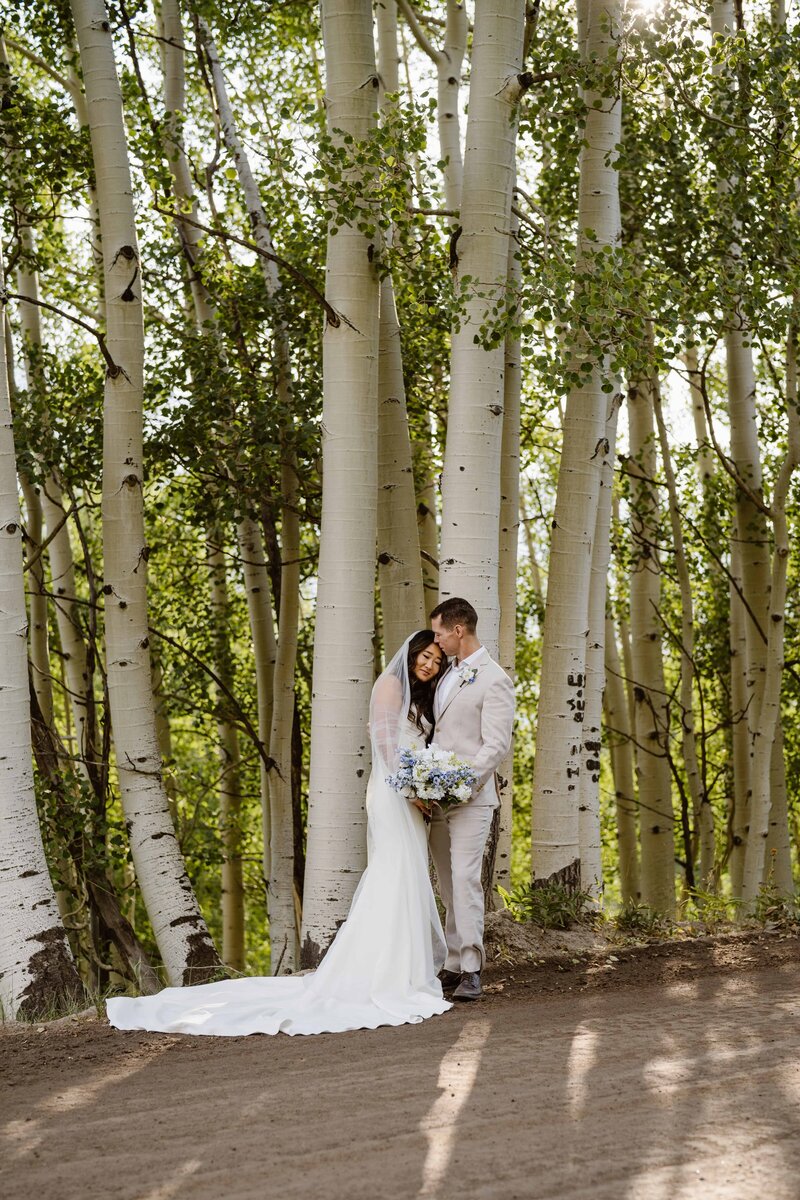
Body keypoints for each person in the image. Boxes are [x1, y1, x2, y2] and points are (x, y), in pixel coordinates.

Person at [106, 631, 451, 1037]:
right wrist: (410, 789)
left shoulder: (422, 697)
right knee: (392, 875)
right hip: (393, 795)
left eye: (436, 662)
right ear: (411, 653)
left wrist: (426, 789)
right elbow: (385, 742)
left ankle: (401, 972)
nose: (429, 665)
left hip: (409, 799)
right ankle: (380, 977)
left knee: (404, 877)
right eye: (425, 657)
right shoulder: (392, 684)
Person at [428, 597, 515, 1001]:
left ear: (458, 630)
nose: (437, 639)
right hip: (435, 799)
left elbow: (495, 747)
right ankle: (451, 963)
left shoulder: (494, 678)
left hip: (471, 798)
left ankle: (473, 968)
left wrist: (459, 785)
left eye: (440, 632)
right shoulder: (446, 674)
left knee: (465, 880)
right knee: (447, 885)